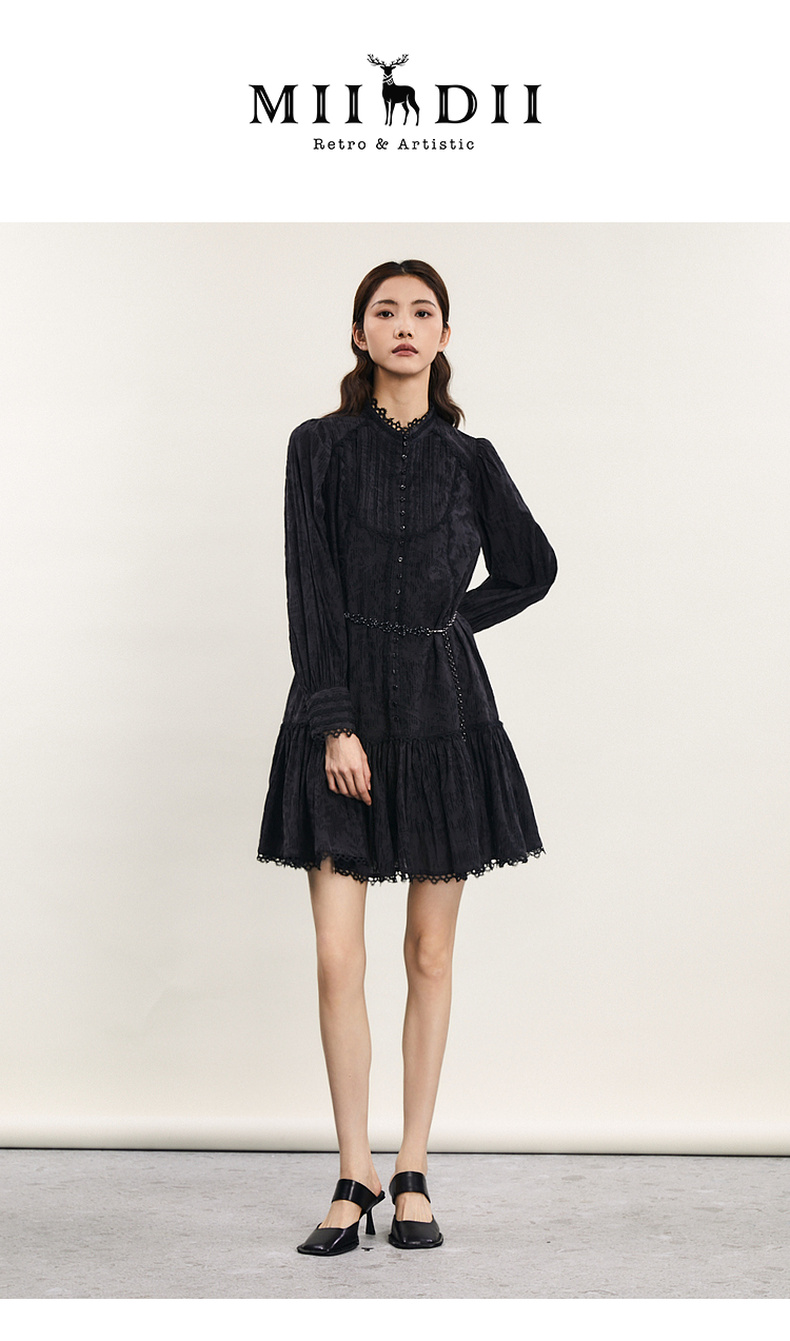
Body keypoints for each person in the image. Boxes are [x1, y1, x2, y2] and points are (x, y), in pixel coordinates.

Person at [257, 259, 558, 1256]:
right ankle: (354, 1173)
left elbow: (533, 567)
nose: (403, 324)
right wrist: (333, 720)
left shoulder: (471, 459)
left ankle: (414, 1167)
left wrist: (447, 623)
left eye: (422, 311)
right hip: (339, 710)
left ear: (442, 336)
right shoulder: (318, 447)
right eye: (383, 310)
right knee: (336, 956)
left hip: (442, 717)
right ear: (359, 334)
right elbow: (308, 590)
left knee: (429, 953)